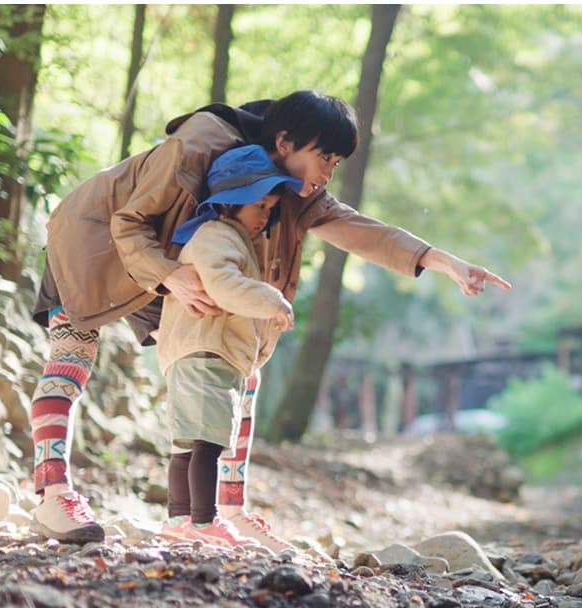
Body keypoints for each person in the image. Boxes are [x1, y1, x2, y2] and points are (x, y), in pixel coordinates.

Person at [29, 90, 511, 547]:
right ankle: (53, 494)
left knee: (237, 364)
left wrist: (442, 261)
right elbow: (129, 221)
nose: (328, 172)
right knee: (73, 354)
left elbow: (360, 230)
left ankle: (227, 510)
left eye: (336, 164)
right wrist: (170, 276)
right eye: (325, 158)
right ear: (285, 143)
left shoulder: (287, 190)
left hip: (175, 261)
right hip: (93, 239)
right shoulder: (199, 144)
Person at [156, 144, 298, 550]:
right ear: (233, 202)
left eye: (271, 208)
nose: (265, 217)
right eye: (261, 207)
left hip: (193, 351)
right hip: (208, 351)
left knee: (186, 442)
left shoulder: (219, 238)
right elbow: (223, 286)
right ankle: (204, 521)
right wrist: (273, 300)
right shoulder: (217, 237)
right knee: (208, 441)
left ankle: (179, 518)